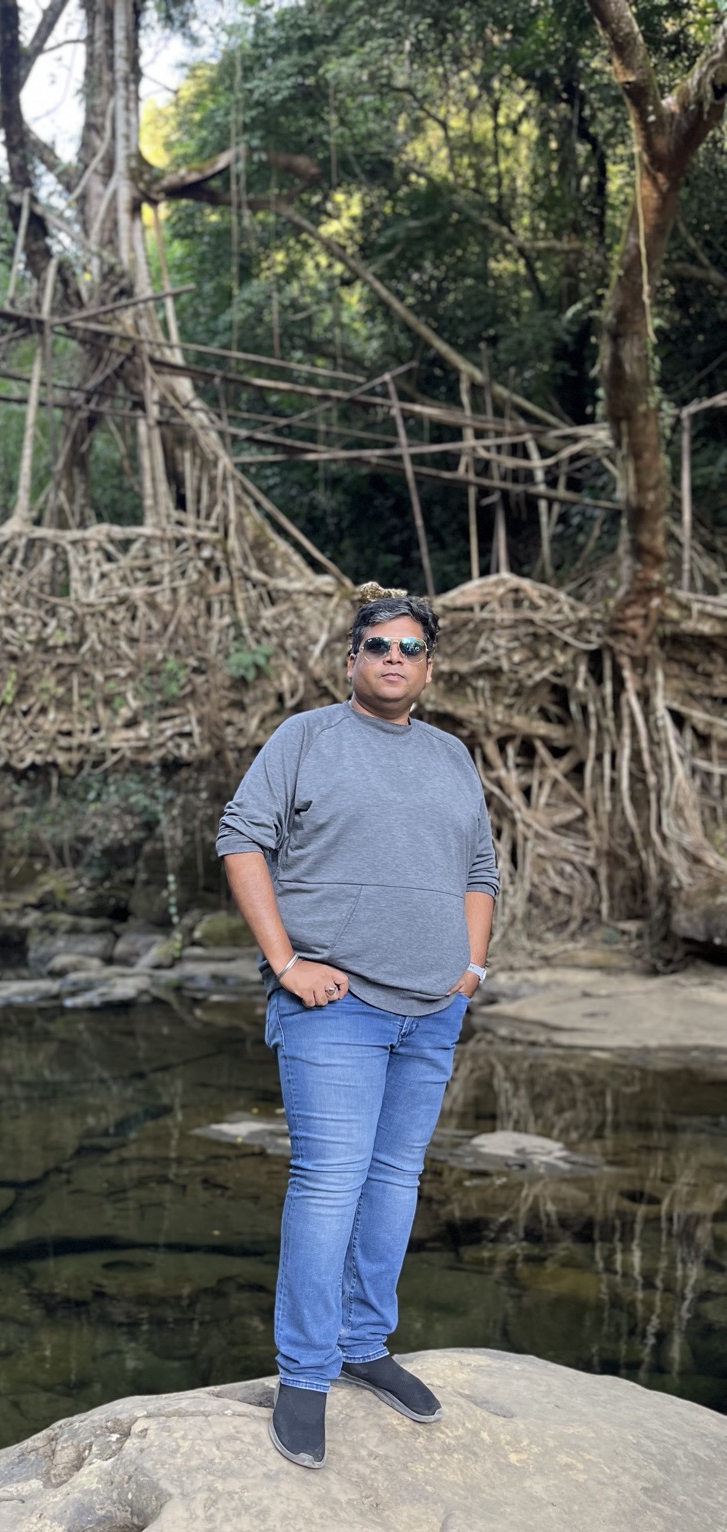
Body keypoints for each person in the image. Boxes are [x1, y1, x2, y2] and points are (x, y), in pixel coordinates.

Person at [216, 585, 498, 1469]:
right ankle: (304, 1375)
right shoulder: (306, 739)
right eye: (379, 645)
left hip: (432, 1011)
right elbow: (240, 838)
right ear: (352, 659)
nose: (394, 658)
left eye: (411, 648)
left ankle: (364, 1345)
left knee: (395, 1183)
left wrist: (470, 970)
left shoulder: (451, 756)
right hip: (333, 1009)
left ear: (428, 667)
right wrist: (286, 964)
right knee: (330, 1185)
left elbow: (481, 871)